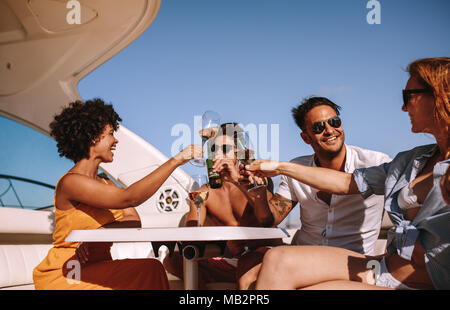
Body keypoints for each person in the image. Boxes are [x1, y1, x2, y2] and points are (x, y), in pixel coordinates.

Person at [247, 57, 450, 290]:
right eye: (318, 127)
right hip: (384, 268)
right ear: (306, 137)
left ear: (439, 95)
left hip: (421, 280)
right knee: (276, 259)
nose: (403, 107)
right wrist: (279, 167)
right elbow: (346, 182)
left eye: (408, 97)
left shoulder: (374, 159)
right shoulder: (410, 161)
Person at [33, 98, 203, 290]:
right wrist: (176, 160)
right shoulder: (72, 182)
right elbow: (130, 198)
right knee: (149, 271)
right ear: (93, 137)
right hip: (69, 271)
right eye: (111, 134)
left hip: (98, 266)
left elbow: (134, 219)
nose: (116, 140)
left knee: (151, 269)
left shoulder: (104, 183)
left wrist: (95, 235)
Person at [237, 96, 391, 289]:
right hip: (303, 256)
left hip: (353, 261)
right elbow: (271, 220)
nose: (329, 130)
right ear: (306, 137)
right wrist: (258, 193)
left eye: (335, 122)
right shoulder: (296, 168)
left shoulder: (374, 163)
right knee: (247, 278)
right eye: (318, 127)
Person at [162, 122, 282, 289]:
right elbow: (188, 237)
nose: (217, 154)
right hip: (232, 260)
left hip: (264, 255)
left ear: (238, 153)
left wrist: (237, 180)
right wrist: (196, 208)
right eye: (213, 149)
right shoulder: (205, 192)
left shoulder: (254, 178)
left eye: (225, 149)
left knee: (248, 264)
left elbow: (268, 218)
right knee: (172, 260)